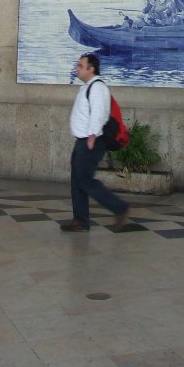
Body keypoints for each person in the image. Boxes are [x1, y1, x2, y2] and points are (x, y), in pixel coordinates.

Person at [61, 53, 130, 233]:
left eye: (81, 66)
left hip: (92, 141)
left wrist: (92, 137)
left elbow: (99, 113)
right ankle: (81, 221)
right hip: (83, 140)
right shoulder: (87, 87)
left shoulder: (98, 88)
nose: (77, 68)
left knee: (85, 180)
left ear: (91, 69)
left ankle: (119, 207)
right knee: (77, 181)